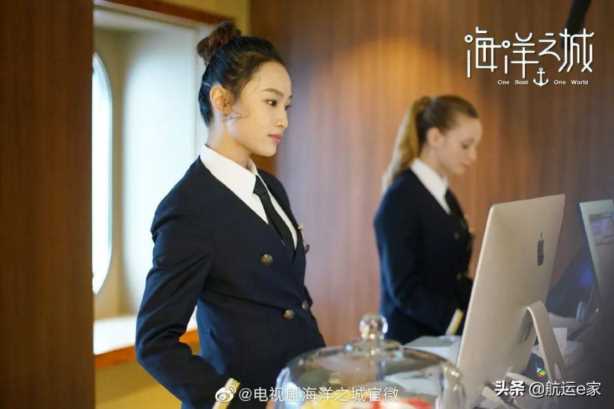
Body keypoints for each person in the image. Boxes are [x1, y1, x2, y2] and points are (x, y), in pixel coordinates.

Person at [135, 22, 325, 409]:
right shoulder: (188, 209)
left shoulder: (272, 187)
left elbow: (289, 301)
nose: (284, 120)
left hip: (302, 389)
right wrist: (243, 403)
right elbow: (154, 342)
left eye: (287, 106)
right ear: (222, 101)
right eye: (271, 103)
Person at [373, 95, 482, 344]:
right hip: (411, 346)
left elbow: (452, 275)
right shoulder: (399, 199)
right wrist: (459, 323)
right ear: (435, 138)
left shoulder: (444, 195)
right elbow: (404, 289)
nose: (473, 156)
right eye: (466, 145)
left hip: (441, 339)